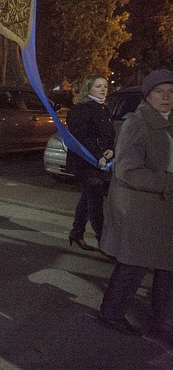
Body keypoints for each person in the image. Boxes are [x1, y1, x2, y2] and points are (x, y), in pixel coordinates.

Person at [98, 69, 173, 340]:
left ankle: (164, 319)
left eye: (171, 92)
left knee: (167, 264)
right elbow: (127, 171)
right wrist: (166, 182)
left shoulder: (170, 121)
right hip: (138, 210)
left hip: (162, 209)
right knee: (134, 264)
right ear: (148, 95)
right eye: (159, 92)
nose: (166, 97)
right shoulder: (136, 123)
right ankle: (111, 313)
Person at [66, 75, 115, 251]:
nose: (103, 89)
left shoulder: (103, 109)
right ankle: (105, 243)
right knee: (95, 201)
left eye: (105, 86)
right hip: (85, 163)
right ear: (88, 89)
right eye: (98, 86)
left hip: (99, 162)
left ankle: (76, 233)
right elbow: (80, 137)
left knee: (88, 198)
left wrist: (111, 149)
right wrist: (96, 155)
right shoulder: (81, 109)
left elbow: (110, 135)